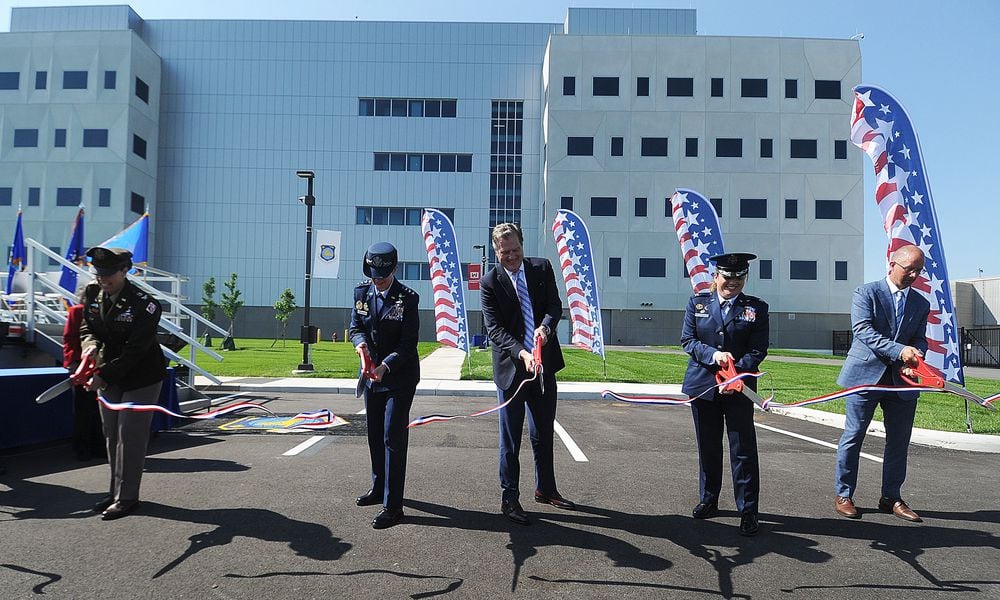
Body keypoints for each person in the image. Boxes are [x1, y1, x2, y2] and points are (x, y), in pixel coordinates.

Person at [480, 222, 574, 526]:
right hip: (511, 370)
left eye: (515, 249)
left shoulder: (541, 268)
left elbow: (554, 305)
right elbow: (494, 330)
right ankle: (510, 498)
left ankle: (546, 489)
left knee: (542, 433)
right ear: (497, 251)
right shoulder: (490, 282)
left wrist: (545, 328)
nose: (511, 256)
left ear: (522, 244)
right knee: (510, 440)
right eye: (505, 252)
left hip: (543, 365)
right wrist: (522, 352)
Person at [834, 245, 928, 523]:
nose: (913, 274)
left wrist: (917, 356)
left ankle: (891, 497)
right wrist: (900, 351)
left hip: (902, 382)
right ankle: (844, 494)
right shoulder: (866, 293)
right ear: (891, 264)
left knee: (899, 441)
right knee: (853, 437)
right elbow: (863, 331)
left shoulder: (921, 303)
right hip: (864, 377)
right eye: (908, 268)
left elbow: (920, 339)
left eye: (918, 271)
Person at [680, 252, 769, 536]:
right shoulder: (698, 304)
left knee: (742, 449)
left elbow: (758, 349)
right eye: (728, 277)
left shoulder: (756, 308)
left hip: (739, 387)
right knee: (708, 445)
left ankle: (748, 510)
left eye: (739, 277)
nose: (733, 282)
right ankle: (709, 498)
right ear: (715, 277)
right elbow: (688, 341)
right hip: (703, 385)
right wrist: (714, 355)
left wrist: (735, 373)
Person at [79, 246, 166, 520]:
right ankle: (114, 492)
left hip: (142, 376)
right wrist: (89, 347)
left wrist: (102, 376)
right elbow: (87, 328)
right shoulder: (92, 293)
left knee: (130, 436)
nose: (103, 280)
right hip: (109, 374)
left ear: (126, 271)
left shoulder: (145, 305)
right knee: (112, 435)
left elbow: (135, 351)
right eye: (99, 273)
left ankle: (127, 498)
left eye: (109, 275)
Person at [349, 242, 420, 530]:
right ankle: (379, 487)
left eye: (381, 275)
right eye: (373, 274)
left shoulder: (408, 298)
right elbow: (356, 327)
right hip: (371, 376)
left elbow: (408, 344)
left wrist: (384, 366)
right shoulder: (361, 293)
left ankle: (394, 506)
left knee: (393, 436)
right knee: (375, 435)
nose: (376, 280)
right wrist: (360, 345)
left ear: (394, 270)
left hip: (398, 377)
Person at [64, 293, 105, 461]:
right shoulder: (77, 311)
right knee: (83, 410)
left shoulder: (106, 312)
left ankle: (99, 447)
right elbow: (70, 339)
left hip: (102, 366)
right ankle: (82, 448)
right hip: (82, 366)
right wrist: (73, 363)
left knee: (99, 410)